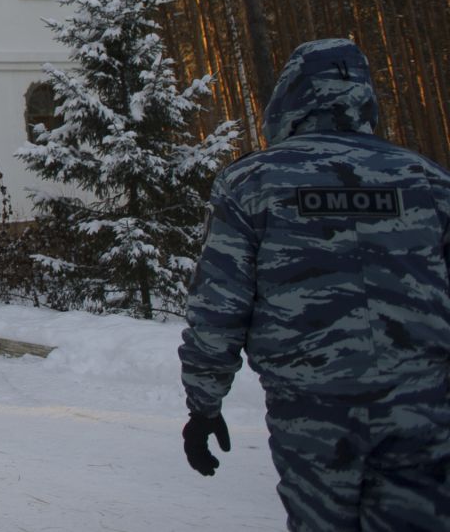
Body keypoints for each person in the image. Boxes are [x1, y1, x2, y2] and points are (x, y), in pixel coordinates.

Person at [178, 37, 450, 530]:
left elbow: (219, 306)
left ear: (291, 99)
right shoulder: (426, 179)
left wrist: (203, 404)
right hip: (422, 409)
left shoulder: (253, 184)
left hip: (313, 413)